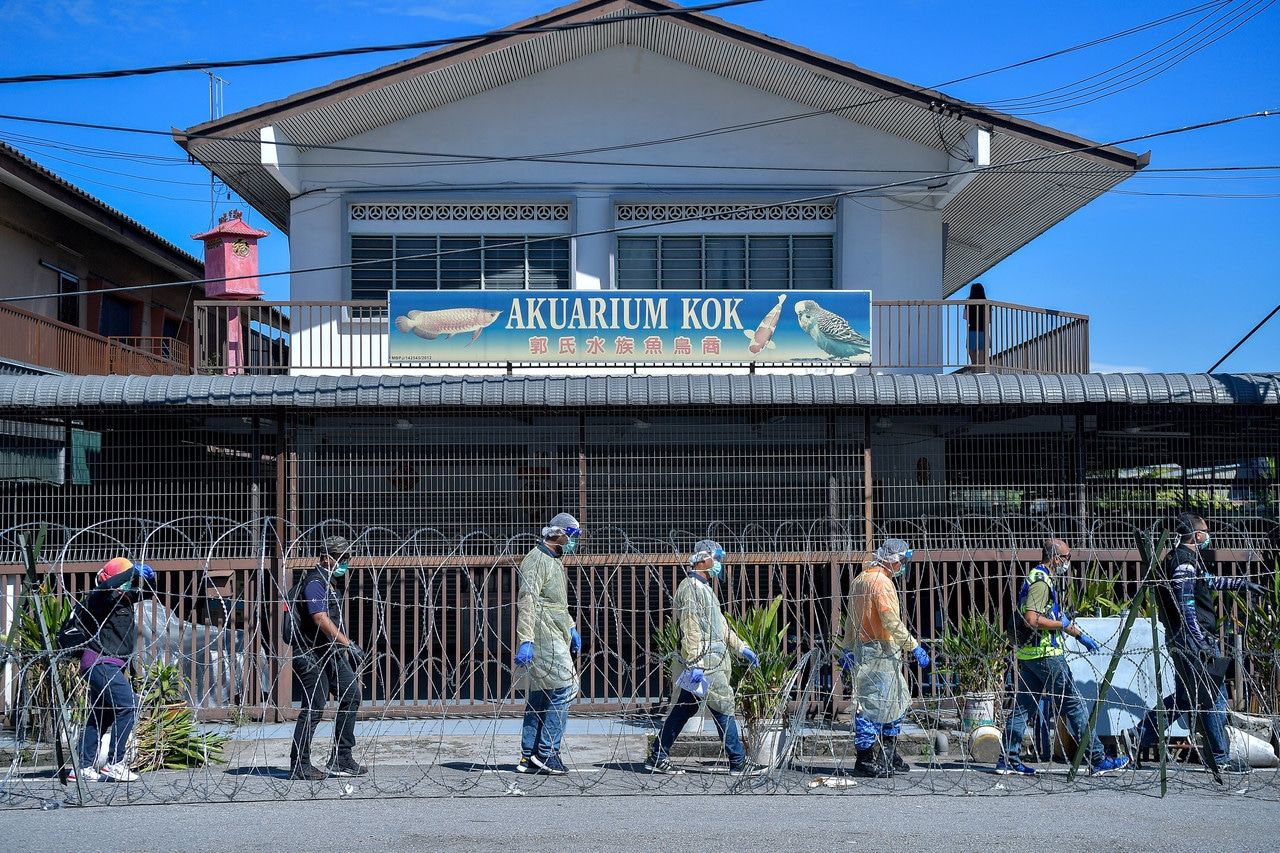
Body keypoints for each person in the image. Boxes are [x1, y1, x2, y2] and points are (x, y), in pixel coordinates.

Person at [1140, 513, 1264, 772]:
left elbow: (1209, 582)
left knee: (1186, 698)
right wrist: (1202, 641)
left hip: (1186, 638)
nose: (1208, 535)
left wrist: (1242, 584)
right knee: (1214, 696)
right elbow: (1186, 608)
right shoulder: (1184, 563)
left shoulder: (1182, 559)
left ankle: (1142, 734)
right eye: (1205, 531)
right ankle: (1220, 758)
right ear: (1197, 535)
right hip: (1192, 639)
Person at [998, 538, 1129, 776]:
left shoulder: (1044, 579)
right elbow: (1032, 619)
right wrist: (1061, 624)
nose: (1068, 562)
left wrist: (1080, 636)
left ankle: (1008, 757)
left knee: (1024, 707)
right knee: (1074, 706)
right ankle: (1097, 758)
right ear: (1056, 557)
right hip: (1047, 656)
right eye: (1067, 557)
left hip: (1032, 655)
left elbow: (1055, 616)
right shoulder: (1041, 582)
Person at [644, 540, 761, 776]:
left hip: (709, 660)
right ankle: (738, 761)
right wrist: (695, 662)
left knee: (685, 707)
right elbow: (691, 628)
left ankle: (657, 755)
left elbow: (721, 627)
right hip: (704, 662)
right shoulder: (690, 588)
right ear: (703, 559)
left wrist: (742, 647)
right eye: (716, 559)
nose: (719, 564)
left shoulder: (705, 589)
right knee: (723, 704)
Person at [837, 539, 931, 777]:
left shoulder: (861, 580)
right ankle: (866, 759)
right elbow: (890, 620)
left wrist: (847, 646)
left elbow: (850, 618)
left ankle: (888, 754)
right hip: (881, 651)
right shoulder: (882, 584)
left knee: (892, 700)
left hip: (864, 648)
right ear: (893, 560)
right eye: (901, 561)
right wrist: (913, 645)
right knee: (877, 705)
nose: (902, 566)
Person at [68, 557, 155, 783]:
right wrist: (129, 572)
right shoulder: (100, 599)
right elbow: (105, 587)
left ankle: (82, 768)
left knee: (101, 715)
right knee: (128, 705)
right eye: (123, 577)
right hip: (99, 662)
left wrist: (147, 577)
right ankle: (115, 763)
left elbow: (148, 593)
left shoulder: (124, 598)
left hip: (110, 664)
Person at [288, 535, 366, 781]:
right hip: (309, 654)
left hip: (328, 653)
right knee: (314, 706)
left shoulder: (330, 582)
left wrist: (341, 648)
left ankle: (341, 758)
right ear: (326, 557)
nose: (345, 563)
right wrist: (349, 644)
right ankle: (299, 763)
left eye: (347, 559)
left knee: (351, 693)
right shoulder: (314, 582)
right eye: (341, 559)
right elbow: (319, 618)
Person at [514, 512, 583, 776]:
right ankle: (547, 752)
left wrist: (571, 626)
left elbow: (556, 602)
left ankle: (528, 755)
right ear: (557, 533)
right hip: (541, 633)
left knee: (542, 694)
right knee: (566, 686)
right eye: (572, 535)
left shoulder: (555, 561)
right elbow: (528, 600)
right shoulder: (536, 560)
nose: (574, 541)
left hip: (555, 630)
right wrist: (526, 639)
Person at [963, 282, 989, 369]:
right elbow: (989, 320)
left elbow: (965, 317)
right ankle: (981, 372)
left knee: (972, 353)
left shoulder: (968, 303)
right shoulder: (986, 304)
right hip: (983, 331)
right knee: (982, 353)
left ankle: (975, 371)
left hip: (972, 330)